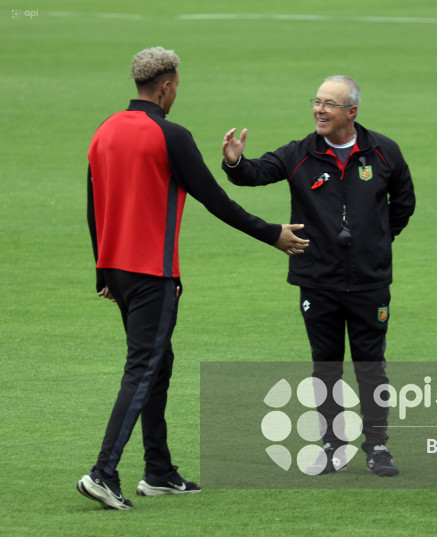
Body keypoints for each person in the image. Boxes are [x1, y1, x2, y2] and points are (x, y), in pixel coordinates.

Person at [79, 47, 307, 511]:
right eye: (177, 85)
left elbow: (93, 200)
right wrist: (272, 235)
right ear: (166, 86)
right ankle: (104, 472)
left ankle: (158, 472)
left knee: (157, 362)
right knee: (143, 367)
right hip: (150, 272)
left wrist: (101, 269)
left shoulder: (104, 130)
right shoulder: (170, 135)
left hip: (118, 270)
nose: (176, 92)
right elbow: (214, 199)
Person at [221, 75, 415, 477]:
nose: (319, 109)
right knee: (325, 365)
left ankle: (378, 446)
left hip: (369, 281)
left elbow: (404, 203)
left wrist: (377, 240)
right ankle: (331, 445)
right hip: (318, 281)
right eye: (317, 101)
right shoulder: (300, 153)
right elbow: (254, 174)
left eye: (329, 103)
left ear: (352, 112)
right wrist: (235, 161)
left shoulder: (383, 152)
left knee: (371, 365)